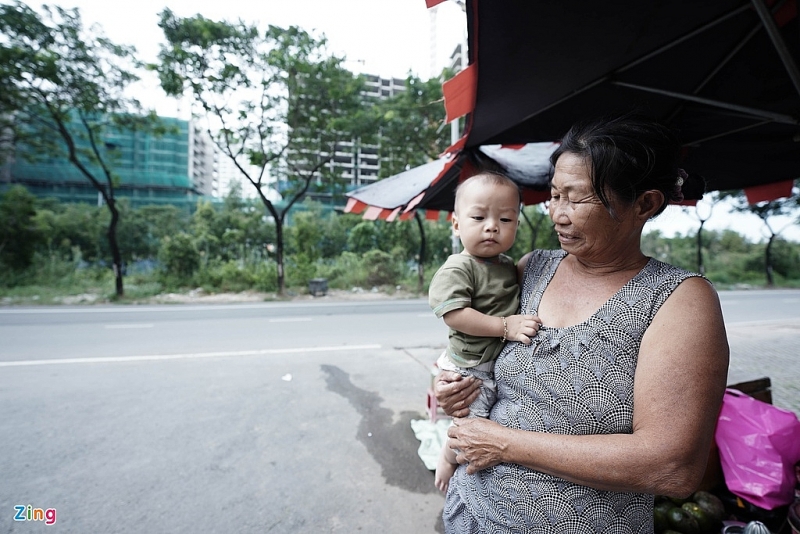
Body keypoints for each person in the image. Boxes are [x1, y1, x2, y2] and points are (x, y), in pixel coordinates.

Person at [433, 114, 730, 533]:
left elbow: (672, 466)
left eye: (576, 198)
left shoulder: (679, 300)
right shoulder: (530, 268)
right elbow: (472, 344)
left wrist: (504, 444)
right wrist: (452, 387)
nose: (557, 213)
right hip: (471, 512)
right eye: (554, 195)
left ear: (645, 204)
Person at [428, 171, 542, 493]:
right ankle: (448, 457)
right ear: (456, 224)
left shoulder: (507, 265)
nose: (492, 226)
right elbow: (453, 314)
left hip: (486, 361)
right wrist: (505, 327)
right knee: (470, 424)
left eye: (505, 219)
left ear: (517, 225)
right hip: (470, 367)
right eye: (478, 217)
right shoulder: (459, 267)